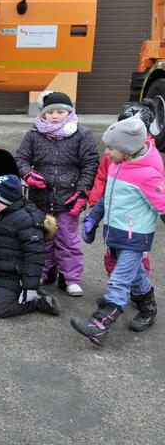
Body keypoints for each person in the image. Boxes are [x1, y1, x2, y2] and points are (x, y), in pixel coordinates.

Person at [71, 117, 165, 346]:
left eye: (111, 148)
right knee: (134, 276)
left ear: (128, 150)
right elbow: (107, 197)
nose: (107, 152)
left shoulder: (148, 174)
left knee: (119, 281)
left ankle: (100, 324)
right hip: (115, 232)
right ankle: (149, 308)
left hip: (135, 237)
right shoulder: (117, 165)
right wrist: (93, 218)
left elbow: (162, 205)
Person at [16, 91, 99, 297]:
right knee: (42, 238)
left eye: (60, 112)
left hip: (68, 199)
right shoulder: (34, 134)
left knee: (67, 240)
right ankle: (43, 272)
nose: (55, 116)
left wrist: (82, 193)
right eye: (50, 112)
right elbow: (21, 159)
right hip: (40, 198)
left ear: (69, 112)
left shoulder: (81, 134)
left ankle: (71, 278)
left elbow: (90, 164)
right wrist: (28, 174)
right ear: (43, 114)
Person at [0, 175, 61, 318]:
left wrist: (30, 287)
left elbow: (34, 257)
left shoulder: (27, 220)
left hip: (12, 276)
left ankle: (37, 301)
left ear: (6, 199)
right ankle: (3, 295)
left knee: (0, 310)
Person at [89, 100, 156, 277]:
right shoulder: (112, 153)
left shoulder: (150, 160)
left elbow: (156, 194)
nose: (107, 152)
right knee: (111, 254)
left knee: (137, 258)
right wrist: (95, 203)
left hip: (135, 225)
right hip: (114, 217)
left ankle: (138, 292)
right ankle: (117, 285)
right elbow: (102, 176)